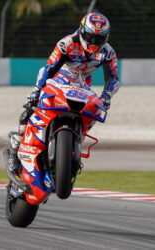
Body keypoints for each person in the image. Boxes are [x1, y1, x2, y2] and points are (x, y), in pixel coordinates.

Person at [7, 12, 120, 174]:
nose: (94, 43)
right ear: (82, 31)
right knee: (31, 109)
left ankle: (76, 141)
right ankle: (15, 152)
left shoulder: (108, 52)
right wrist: (36, 91)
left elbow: (113, 79)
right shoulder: (66, 44)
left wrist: (106, 96)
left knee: (93, 110)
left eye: (100, 39)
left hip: (82, 86)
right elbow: (49, 68)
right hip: (58, 82)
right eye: (90, 37)